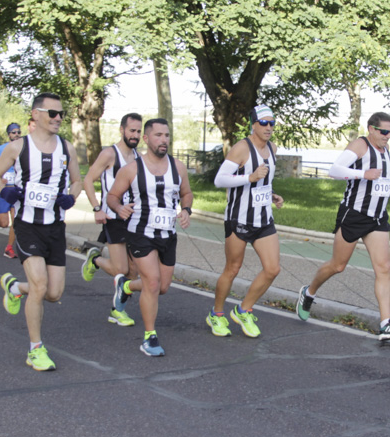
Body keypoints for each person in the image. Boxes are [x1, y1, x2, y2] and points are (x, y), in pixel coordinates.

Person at [295, 112, 390, 341]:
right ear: (371, 129)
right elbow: (335, 170)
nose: (387, 136)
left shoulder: (384, 148)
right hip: (354, 215)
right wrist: (363, 174)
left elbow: (379, 173)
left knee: (384, 267)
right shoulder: (360, 144)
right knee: (337, 266)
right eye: (384, 131)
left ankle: (386, 323)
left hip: (377, 217)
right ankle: (308, 293)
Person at [0, 93, 81, 372]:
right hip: (27, 226)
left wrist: (72, 197)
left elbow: (77, 181)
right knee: (40, 286)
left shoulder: (67, 149)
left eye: (61, 114)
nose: (58, 118)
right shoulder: (18, 147)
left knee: (53, 293)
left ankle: (15, 288)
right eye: (52, 113)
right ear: (36, 114)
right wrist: (4, 189)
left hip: (55, 227)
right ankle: (35, 349)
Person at [106, 118, 193, 357]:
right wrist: (118, 208)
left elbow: (186, 193)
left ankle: (125, 286)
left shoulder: (178, 167)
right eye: (158, 135)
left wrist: (186, 210)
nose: (164, 139)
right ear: (146, 139)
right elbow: (112, 196)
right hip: (140, 233)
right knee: (152, 283)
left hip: (168, 235)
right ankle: (149, 337)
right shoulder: (132, 169)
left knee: (162, 287)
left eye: (166, 135)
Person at [207, 105, 285, 338]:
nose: (269, 127)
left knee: (272, 269)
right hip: (238, 219)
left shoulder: (273, 148)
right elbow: (220, 180)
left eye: (272, 123)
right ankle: (217, 314)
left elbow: (263, 182)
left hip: (263, 219)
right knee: (232, 269)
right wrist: (249, 177)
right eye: (264, 123)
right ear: (253, 124)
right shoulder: (241, 148)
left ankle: (243, 309)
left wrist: (272, 195)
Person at [82, 112, 143, 327]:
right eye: (131, 130)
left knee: (134, 271)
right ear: (122, 130)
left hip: (133, 218)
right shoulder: (110, 154)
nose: (135, 135)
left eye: (138, 131)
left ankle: (117, 310)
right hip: (113, 216)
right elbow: (88, 180)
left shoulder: (139, 157)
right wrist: (97, 209)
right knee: (121, 269)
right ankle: (95, 260)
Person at [0, 122, 24, 258]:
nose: (17, 134)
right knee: (4, 223)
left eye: (18, 132)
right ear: (8, 134)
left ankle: (9, 248)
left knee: (16, 221)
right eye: (13, 132)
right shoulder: (1, 149)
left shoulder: (23, 149)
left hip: (16, 190)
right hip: (3, 190)